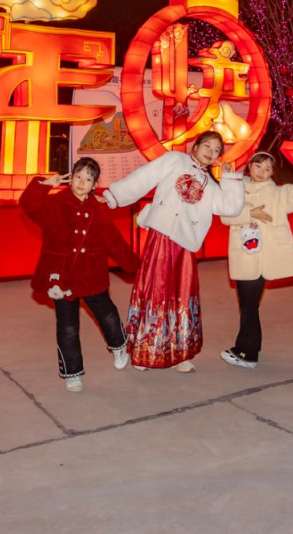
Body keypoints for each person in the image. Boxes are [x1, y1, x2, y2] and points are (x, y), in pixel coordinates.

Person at [102, 131, 245, 372]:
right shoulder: (174, 160)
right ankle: (146, 350)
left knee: (181, 295)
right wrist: (114, 196)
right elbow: (144, 176)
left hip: (185, 245)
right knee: (155, 291)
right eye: (207, 146)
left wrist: (230, 178)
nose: (211, 152)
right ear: (195, 146)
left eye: (216, 151)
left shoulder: (211, 185)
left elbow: (230, 207)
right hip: (161, 237)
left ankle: (180, 354)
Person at [20, 157, 141, 393]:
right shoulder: (55, 203)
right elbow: (28, 205)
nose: (81, 182)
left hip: (91, 274)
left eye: (88, 179)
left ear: (95, 185)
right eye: (78, 176)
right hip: (61, 277)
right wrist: (43, 185)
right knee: (67, 327)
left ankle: (118, 344)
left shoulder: (98, 210)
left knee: (107, 314)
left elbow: (114, 242)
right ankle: (72, 372)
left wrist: (135, 266)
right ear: (71, 177)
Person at [217, 150, 293, 369]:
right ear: (250, 166)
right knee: (249, 305)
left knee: (249, 306)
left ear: (272, 173)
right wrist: (251, 212)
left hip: (266, 258)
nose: (262, 172)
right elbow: (225, 214)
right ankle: (252, 347)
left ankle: (246, 353)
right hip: (245, 257)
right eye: (258, 166)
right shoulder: (238, 189)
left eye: (268, 169)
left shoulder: (275, 193)